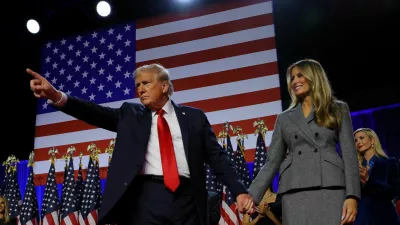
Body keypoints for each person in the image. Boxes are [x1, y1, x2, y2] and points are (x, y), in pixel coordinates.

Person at [27, 63, 254, 225]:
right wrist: (57, 95)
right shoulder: (130, 114)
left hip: (188, 199)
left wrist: (240, 191)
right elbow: (93, 112)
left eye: (146, 83)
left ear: (164, 86)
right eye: (138, 85)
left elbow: (217, 157)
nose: (140, 89)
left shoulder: (194, 117)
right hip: (146, 198)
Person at [248, 59, 360, 225]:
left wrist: (352, 196)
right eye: (292, 78)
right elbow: (272, 161)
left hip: (330, 188)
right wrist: (251, 195)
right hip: (294, 191)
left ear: (314, 76)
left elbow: (349, 155)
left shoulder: (338, 109)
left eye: (300, 75)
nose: (295, 81)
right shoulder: (284, 118)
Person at [354, 128, 400, 225]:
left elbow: (394, 192)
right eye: (356, 140)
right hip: (363, 218)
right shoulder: (354, 168)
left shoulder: (389, 163)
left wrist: (368, 180)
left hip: (384, 217)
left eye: (361, 138)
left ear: (372, 140)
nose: (358, 142)